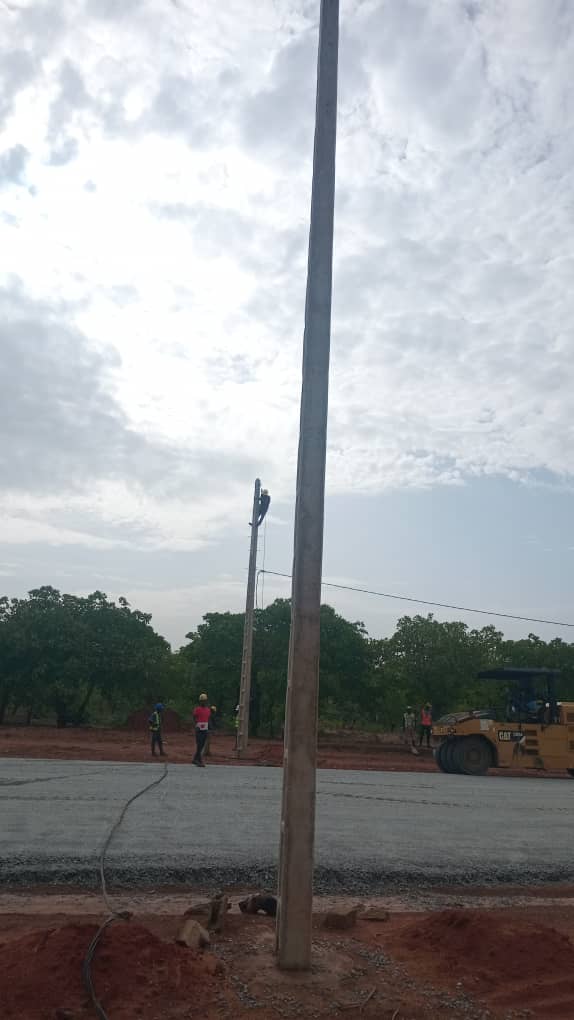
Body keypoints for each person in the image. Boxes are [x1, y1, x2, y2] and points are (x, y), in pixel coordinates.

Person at [193, 693, 211, 767]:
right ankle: (199, 760)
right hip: (199, 729)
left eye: (204, 701)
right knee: (199, 744)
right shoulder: (197, 709)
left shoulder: (208, 710)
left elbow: (208, 719)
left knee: (202, 745)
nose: (203, 702)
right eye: (202, 701)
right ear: (200, 701)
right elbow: (194, 717)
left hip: (205, 729)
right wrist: (196, 724)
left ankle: (195, 759)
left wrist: (209, 728)